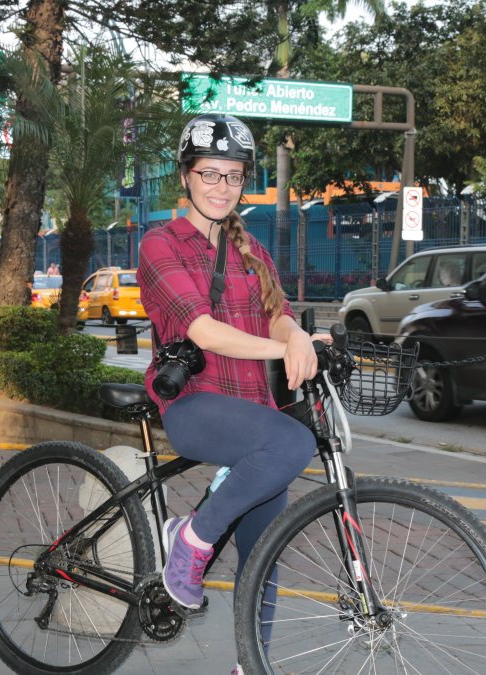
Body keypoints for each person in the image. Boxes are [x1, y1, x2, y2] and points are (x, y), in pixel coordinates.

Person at [138, 114, 324, 668]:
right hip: (194, 405)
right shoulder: (160, 243)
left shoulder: (252, 249)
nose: (222, 188)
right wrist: (285, 350)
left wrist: (298, 339)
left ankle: (251, 666)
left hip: (253, 416)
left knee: (263, 560)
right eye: (210, 174)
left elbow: (279, 316)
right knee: (294, 444)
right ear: (186, 177)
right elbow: (201, 330)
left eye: (234, 177)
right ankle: (192, 539)